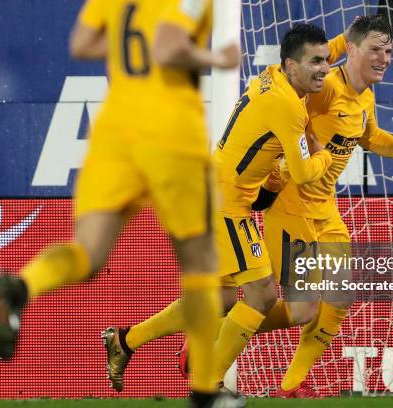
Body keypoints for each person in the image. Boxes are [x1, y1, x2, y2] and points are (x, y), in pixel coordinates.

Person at [0, 0, 242, 406]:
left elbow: (82, 43)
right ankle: (205, 391)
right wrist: (217, 56)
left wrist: (130, 48)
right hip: (172, 134)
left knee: (87, 253)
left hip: (115, 134)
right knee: (201, 265)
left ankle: (23, 285)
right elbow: (166, 47)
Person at [100, 23, 352, 388]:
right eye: (314, 62)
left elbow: (310, 58)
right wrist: (331, 155)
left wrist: (348, 39)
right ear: (291, 65)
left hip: (217, 192)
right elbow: (302, 173)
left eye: (326, 61)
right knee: (263, 294)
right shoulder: (288, 106)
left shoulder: (272, 78)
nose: (324, 69)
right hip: (226, 201)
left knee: (217, 300)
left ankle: (125, 341)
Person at [258, 15, 393, 397]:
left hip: (325, 210)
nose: (384, 58)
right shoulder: (324, 88)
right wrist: (269, 179)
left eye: (388, 50)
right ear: (350, 50)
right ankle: (220, 334)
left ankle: (290, 386)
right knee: (302, 310)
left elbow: (371, 138)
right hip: (290, 207)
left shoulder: (363, 96)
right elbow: (280, 109)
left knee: (338, 297)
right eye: (374, 50)